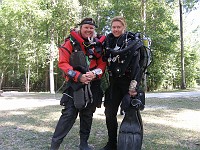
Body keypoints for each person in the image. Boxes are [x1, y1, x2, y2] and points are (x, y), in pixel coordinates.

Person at [50, 17, 106, 150]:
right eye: (86, 27)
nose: (89, 30)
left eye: (91, 28)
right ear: (80, 28)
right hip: (74, 85)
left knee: (87, 115)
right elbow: (63, 63)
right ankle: (54, 145)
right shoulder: (70, 43)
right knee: (68, 114)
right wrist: (78, 76)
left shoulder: (98, 44)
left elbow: (102, 64)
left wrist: (95, 74)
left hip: (93, 84)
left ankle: (84, 144)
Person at [101, 16, 145, 150]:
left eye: (118, 27)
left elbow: (137, 68)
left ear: (123, 27)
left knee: (131, 111)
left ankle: (132, 141)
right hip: (114, 83)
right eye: (113, 27)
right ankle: (112, 142)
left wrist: (133, 87)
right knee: (109, 112)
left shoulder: (132, 43)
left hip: (128, 83)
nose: (115, 29)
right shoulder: (107, 41)